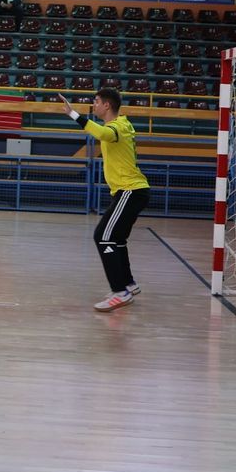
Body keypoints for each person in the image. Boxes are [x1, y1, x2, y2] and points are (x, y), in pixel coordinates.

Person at [58, 87, 148, 310]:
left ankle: (120, 292)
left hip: (131, 190)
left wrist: (73, 114)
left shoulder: (117, 127)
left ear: (107, 105)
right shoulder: (121, 125)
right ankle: (128, 284)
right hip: (130, 191)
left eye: (96, 101)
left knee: (102, 236)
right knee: (116, 239)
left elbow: (103, 134)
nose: (94, 105)